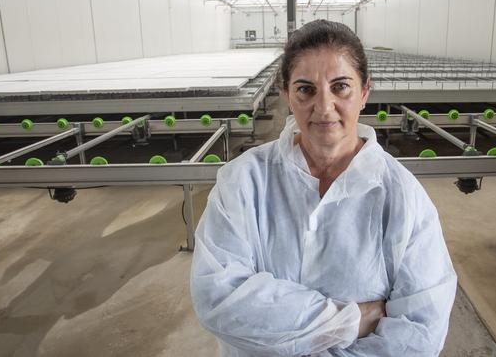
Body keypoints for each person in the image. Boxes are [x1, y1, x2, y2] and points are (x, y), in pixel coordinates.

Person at [190, 19, 457, 356]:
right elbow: (219, 299)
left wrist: (274, 322)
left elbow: (420, 332)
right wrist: (349, 320)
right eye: (305, 89)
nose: (324, 106)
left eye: (340, 86)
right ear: (287, 95)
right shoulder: (243, 181)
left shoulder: (402, 196)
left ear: (364, 93)